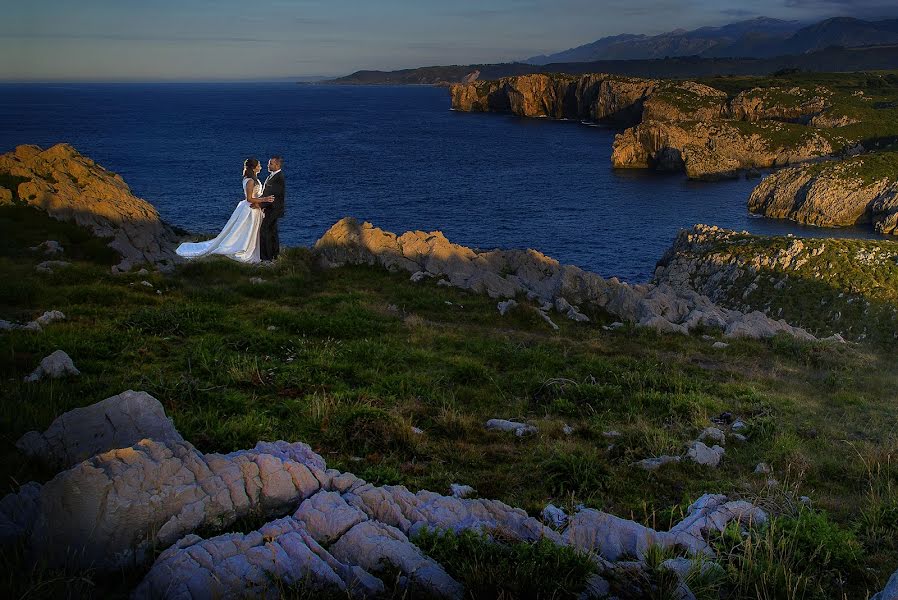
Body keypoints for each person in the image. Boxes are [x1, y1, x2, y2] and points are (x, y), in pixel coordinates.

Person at [175, 158, 274, 263]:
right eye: (259, 165)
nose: (261, 167)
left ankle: (250, 248)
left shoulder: (252, 179)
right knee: (245, 231)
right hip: (250, 209)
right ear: (254, 168)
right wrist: (264, 199)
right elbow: (249, 198)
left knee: (248, 231)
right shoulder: (250, 181)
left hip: (254, 208)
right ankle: (241, 249)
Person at [260, 155, 285, 262]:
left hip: (273, 209)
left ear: (277, 165)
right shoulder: (273, 176)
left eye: (270, 163)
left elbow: (271, 195)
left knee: (264, 231)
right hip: (271, 209)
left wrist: (259, 204)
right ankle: (274, 255)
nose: (268, 165)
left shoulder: (278, 178)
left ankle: (267, 257)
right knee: (272, 232)